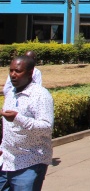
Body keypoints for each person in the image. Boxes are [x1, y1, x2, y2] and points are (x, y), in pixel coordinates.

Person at [0, 55, 53, 190]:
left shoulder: (40, 95)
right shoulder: (11, 92)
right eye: (11, 71)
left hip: (30, 162)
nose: (13, 75)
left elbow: (46, 127)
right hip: (7, 161)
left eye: (17, 71)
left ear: (30, 73)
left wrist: (18, 118)